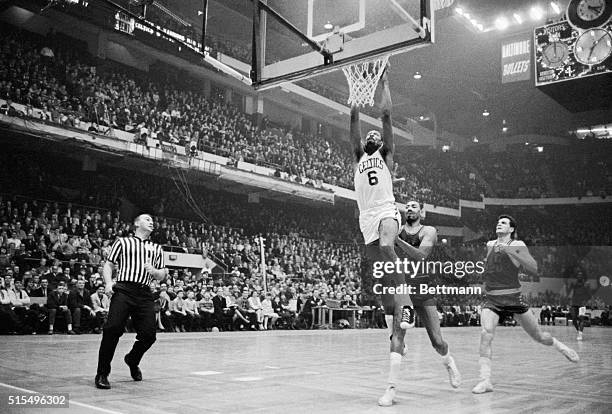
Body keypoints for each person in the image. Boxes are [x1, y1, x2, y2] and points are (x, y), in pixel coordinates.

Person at [350, 63, 413, 406]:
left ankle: (404, 290)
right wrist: (355, 102)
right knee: (385, 302)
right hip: (366, 219)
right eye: (369, 136)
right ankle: (398, 321)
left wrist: (384, 80)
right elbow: (353, 125)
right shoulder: (359, 154)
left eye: (377, 136)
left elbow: (387, 116)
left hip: (388, 211)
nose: (373, 136)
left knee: (389, 244)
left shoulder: (386, 156)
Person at [472, 215, 579, 394]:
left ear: (512, 229)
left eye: (504, 222)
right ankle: (485, 380)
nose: (499, 223)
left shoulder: (517, 245)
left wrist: (510, 251)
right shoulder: (490, 245)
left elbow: (534, 267)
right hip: (491, 299)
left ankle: (561, 347)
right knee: (486, 333)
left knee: (539, 337)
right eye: (498, 222)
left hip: (513, 298)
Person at [95, 214, 167, 390]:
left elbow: (162, 273)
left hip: (144, 292)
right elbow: (109, 265)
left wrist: (154, 271)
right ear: (136, 223)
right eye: (147, 219)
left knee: (149, 335)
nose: (151, 222)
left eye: (152, 220)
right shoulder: (122, 242)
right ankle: (102, 373)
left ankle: (132, 359)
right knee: (112, 329)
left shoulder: (156, 247)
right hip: (124, 290)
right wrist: (109, 282)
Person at [394, 200, 461, 388]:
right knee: (397, 337)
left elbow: (421, 255)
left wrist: (397, 241)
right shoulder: (398, 229)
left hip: (423, 290)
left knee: (438, 342)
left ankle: (449, 363)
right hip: (403, 289)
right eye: (406, 207)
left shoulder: (428, 231)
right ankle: (392, 385)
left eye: (414, 206)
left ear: (422, 212)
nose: (409, 209)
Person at [568, 268, 597, 341]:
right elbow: (569, 292)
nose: (579, 276)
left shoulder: (586, 285)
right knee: (574, 320)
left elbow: (591, 295)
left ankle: (580, 334)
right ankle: (578, 330)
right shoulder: (574, 284)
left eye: (581, 275)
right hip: (574, 303)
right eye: (578, 275)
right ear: (576, 276)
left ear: (583, 277)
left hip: (582, 304)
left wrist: (592, 304)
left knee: (581, 319)